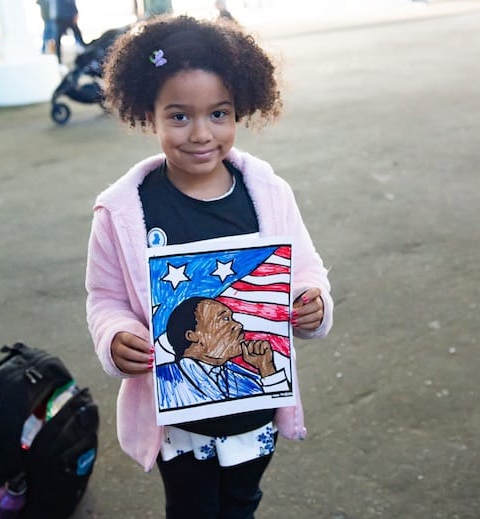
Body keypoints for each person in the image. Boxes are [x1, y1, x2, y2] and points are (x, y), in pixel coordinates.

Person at [85, 15, 333, 519]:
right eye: (179, 116)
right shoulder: (123, 210)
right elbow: (104, 296)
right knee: (190, 508)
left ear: (240, 108)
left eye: (219, 113)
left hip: (255, 409)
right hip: (178, 424)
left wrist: (312, 302)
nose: (201, 134)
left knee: (242, 502)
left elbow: (305, 268)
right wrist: (115, 336)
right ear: (149, 114)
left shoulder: (268, 193)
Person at [157, 297, 291, 408]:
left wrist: (267, 369)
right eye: (225, 319)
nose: (238, 325)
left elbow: (280, 407)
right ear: (192, 335)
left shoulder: (247, 380)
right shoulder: (162, 381)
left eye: (231, 318)